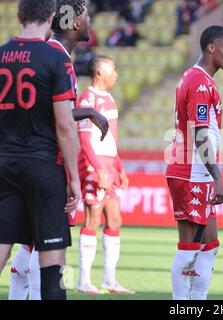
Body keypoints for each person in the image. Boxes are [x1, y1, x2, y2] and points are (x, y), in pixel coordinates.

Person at [8, 0, 109, 300]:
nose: (91, 22)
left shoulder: (47, 52)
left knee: (25, 241)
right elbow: (54, 117)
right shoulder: (54, 56)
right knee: (47, 250)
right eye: (87, 17)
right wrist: (88, 112)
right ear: (75, 22)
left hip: (17, 160)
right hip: (41, 164)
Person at [0, 0, 81, 300]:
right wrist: (73, 178)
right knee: (52, 263)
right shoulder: (54, 58)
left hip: (5, 163)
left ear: (19, 15)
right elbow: (64, 125)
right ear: (51, 16)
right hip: (44, 166)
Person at [165, 25, 223, 300]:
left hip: (197, 172)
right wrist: (217, 177)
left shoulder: (198, 78)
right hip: (191, 172)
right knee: (189, 249)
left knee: (210, 245)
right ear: (211, 48)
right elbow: (200, 132)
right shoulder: (199, 82)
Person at [76, 56, 133, 295]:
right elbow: (85, 139)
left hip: (110, 163)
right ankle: (84, 280)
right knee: (93, 218)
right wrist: (98, 168)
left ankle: (110, 280)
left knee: (114, 219)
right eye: (113, 70)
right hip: (94, 163)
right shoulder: (87, 99)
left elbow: (110, 139)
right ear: (100, 72)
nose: (116, 75)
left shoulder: (109, 99)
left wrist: (119, 166)